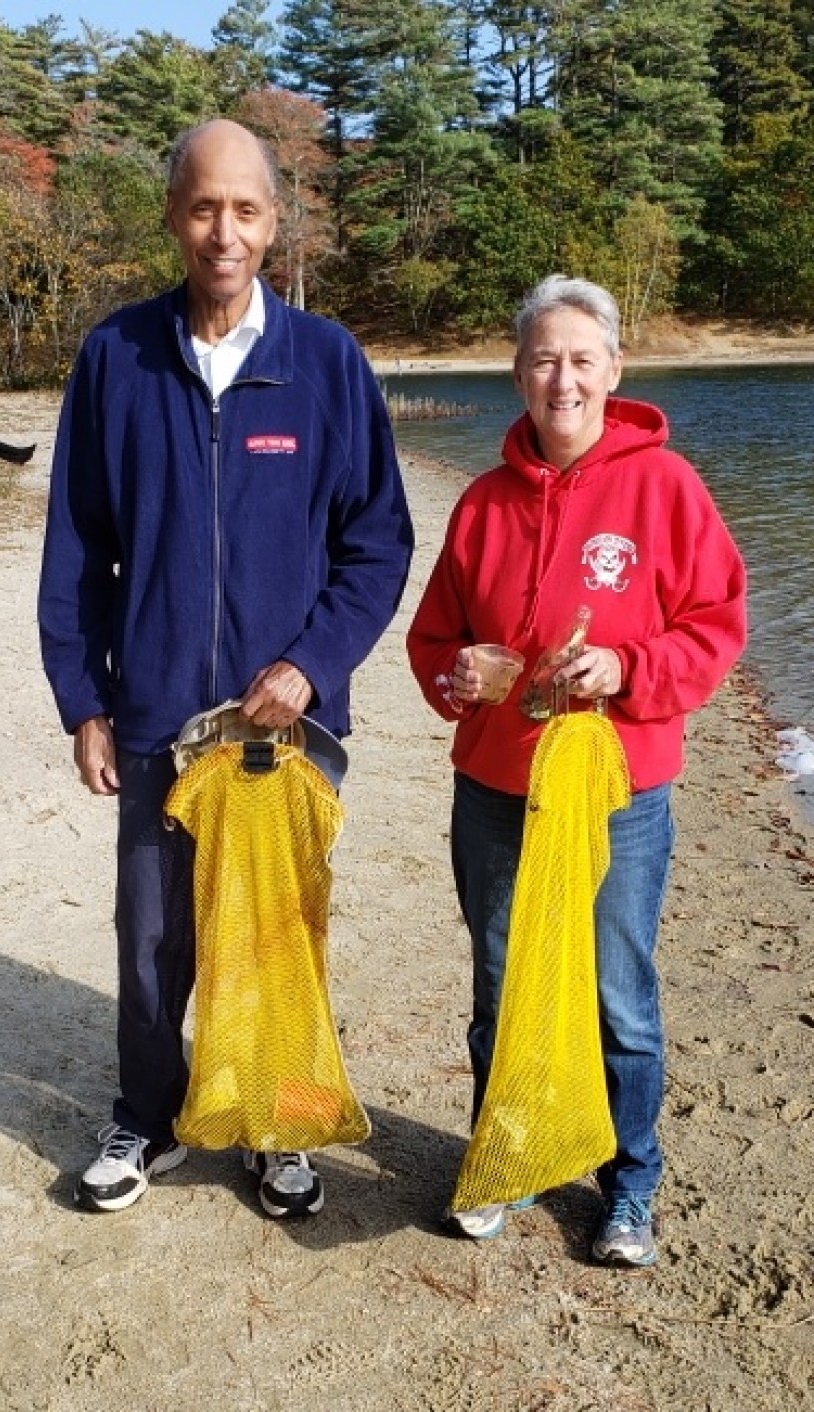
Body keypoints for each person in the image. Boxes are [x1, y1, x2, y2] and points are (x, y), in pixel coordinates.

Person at [38, 118, 414, 1216]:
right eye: (203, 206)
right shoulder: (116, 357)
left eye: (245, 208)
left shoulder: (327, 364)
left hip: (283, 729)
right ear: (173, 216)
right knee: (153, 935)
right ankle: (146, 1118)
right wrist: (84, 699)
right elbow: (75, 546)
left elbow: (377, 541)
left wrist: (310, 662)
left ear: (274, 220)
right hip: (156, 708)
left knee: (277, 929)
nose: (223, 230)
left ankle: (275, 1119)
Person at [406, 273, 746, 1264]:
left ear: (615, 368)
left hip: (617, 790)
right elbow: (434, 638)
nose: (563, 377)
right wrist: (458, 673)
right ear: (518, 372)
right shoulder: (481, 502)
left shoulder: (665, 485)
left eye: (581, 358)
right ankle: (504, 1156)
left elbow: (719, 622)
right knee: (502, 984)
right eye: (544, 358)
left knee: (617, 993)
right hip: (498, 788)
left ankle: (629, 1181)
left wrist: (627, 665)